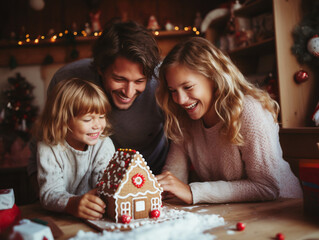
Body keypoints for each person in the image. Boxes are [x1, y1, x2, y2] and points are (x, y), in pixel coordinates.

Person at [156, 37, 303, 205]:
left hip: (284, 208)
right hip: (235, 212)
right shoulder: (184, 119)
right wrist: (157, 190)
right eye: (173, 90)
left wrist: (193, 192)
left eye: (188, 87)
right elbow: (173, 179)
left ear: (213, 78)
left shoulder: (250, 111)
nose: (180, 100)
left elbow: (268, 186)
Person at [27, 20, 169, 191]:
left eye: (139, 81)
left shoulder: (163, 82)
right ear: (100, 69)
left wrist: (165, 183)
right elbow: (46, 134)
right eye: (119, 79)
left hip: (151, 176)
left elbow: (181, 137)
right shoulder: (67, 80)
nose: (129, 92)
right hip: (83, 189)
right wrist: (46, 194)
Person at [36, 78, 115, 220]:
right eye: (88, 119)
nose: (97, 125)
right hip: (61, 219)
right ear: (63, 120)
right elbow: (49, 193)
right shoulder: (48, 148)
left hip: (97, 217)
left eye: (101, 117)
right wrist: (72, 204)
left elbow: (106, 186)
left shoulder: (104, 144)